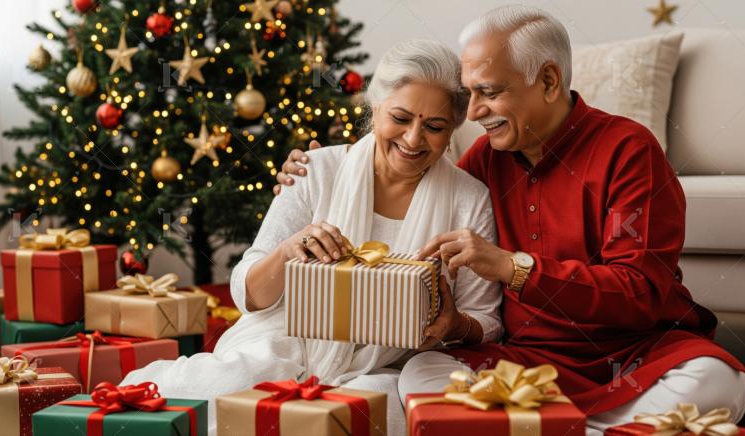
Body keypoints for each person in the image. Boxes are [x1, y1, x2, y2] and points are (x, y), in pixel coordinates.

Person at [274, 5, 745, 434]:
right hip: (520, 364)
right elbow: (413, 189)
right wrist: (323, 170)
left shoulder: (628, 150)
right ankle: (583, 427)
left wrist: (512, 267)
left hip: (634, 357)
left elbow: (639, 293)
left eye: (489, 92)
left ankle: (537, 425)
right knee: (420, 372)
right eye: (469, 93)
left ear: (548, 81)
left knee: (716, 382)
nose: (472, 112)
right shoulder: (485, 159)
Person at [121, 39, 503, 436]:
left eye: (435, 127)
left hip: (386, 363)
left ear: (454, 128)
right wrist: (288, 251)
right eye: (400, 118)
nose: (413, 138)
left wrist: (455, 326)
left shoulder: (469, 200)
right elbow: (246, 294)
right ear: (375, 108)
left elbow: (486, 318)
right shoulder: (315, 170)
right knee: (231, 385)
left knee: (372, 410)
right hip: (284, 337)